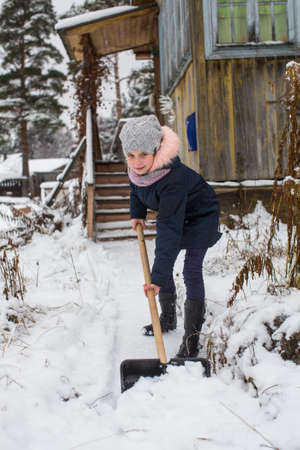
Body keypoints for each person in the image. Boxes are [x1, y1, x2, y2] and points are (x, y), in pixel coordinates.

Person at [119, 115, 221, 358]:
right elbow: (136, 188)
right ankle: (166, 319)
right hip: (176, 214)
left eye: (143, 154)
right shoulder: (137, 169)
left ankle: (191, 340)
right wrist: (137, 213)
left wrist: (157, 278)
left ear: (157, 149)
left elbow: (168, 230)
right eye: (131, 155)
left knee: (190, 270)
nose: (137, 162)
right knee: (162, 262)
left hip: (200, 216)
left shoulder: (171, 180)